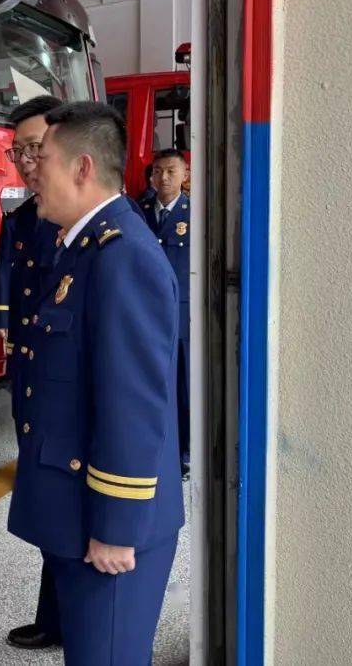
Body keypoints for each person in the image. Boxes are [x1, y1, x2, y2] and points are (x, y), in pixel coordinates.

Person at [8, 101, 184, 665]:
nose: (32, 170)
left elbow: (133, 405)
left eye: (46, 158)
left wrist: (115, 526)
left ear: (83, 168)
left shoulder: (120, 255)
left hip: (107, 530)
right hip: (76, 513)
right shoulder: (80, 245)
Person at [0, 94, 65, 652]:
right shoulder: (23, 218)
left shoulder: (94, 228)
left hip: (67, 389)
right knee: (46, 499)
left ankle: (70, 617)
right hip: (32, 373)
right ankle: (54, 614)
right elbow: (9, 277)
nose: (26, 162)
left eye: (36, 149)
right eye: (19, 151)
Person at [141, 148, 192, 478]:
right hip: (145, 313)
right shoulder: (138, 209)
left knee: (182, 384)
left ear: (185, 175)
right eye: (158, 171)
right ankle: (152, 445)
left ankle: (183, 452)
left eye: (171, 171)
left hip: (180, 316)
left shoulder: (194, 212)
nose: (164, 178)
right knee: (148, 381)